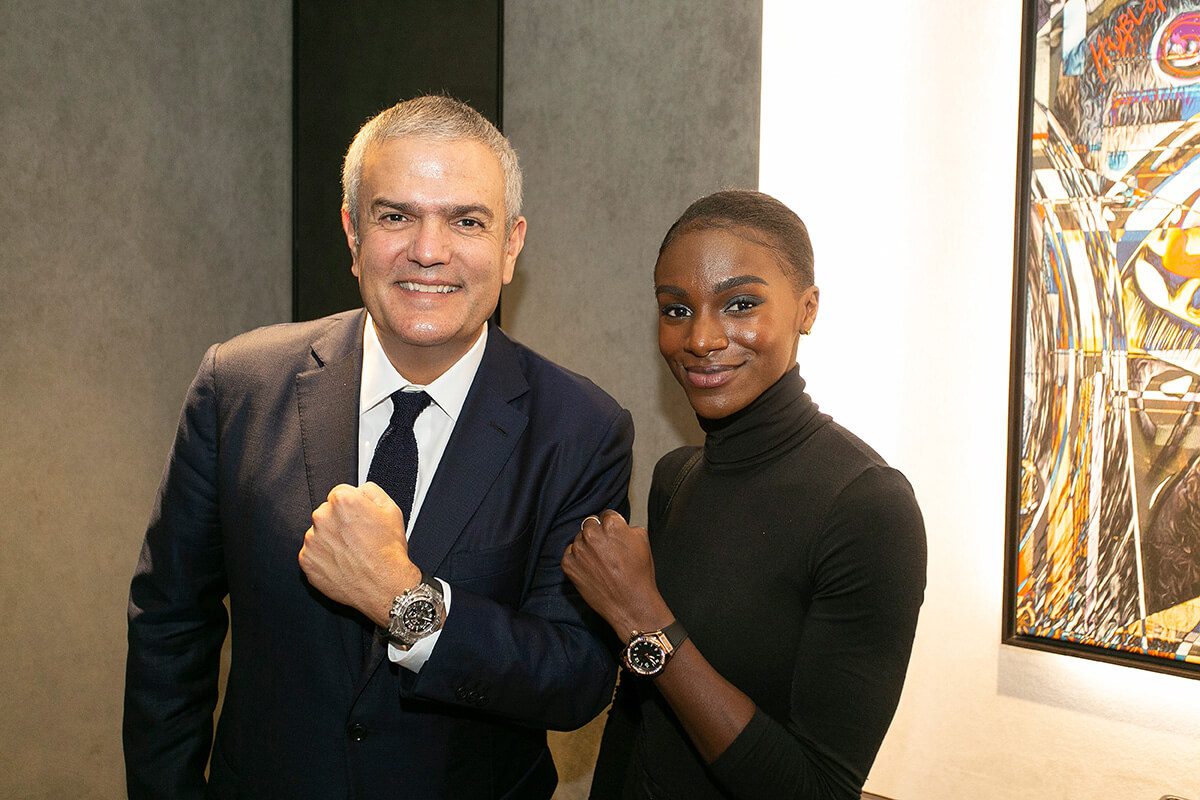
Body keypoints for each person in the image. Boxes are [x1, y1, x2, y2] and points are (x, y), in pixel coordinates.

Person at [124, 95, 634, 800]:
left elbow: (576, 677)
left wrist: (407, 603)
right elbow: (169, 628)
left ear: (511, 244)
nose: (428, 250)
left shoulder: (581, 429)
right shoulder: (237, 384)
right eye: (395, 216)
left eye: (466, 220)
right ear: (352, 231)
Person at [563, 190, 926, 800]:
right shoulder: (676, 478)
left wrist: (640, 616)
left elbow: (816, 791)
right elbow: (642, 727)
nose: (702, 337)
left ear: (806, 309)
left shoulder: (866, 506)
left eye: (740, 303)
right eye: (676, 309)